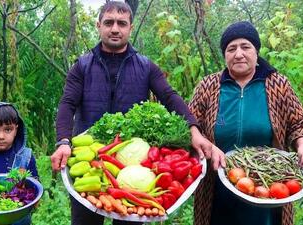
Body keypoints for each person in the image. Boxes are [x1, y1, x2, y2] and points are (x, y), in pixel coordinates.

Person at [50, 1, 213, 225]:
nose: (115, 28)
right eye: (108, 23)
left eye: (121, 23)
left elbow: (169, 96)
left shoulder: (146, 66)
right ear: (99, 26)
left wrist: (193, 129)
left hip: (132, 163)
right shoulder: (82, 65)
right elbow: (67, 104)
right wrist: (63, 141)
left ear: (130, 27)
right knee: (84, 221)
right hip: (90, 157)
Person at [188, 21, 303, 225]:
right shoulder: (208, 86)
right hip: (216, 190)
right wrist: (201, 141)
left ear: (256, 51)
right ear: (225, 55)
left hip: (269, 188)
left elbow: (300, 124)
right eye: (231, 49)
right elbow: (190, 124)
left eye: (245, 47)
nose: (239, 54)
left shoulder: (277, 84)